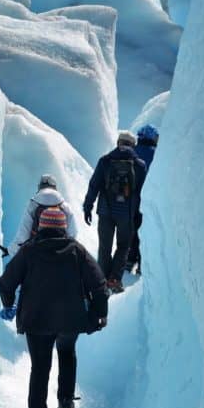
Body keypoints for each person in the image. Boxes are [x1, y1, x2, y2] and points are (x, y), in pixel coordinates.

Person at [0, 207, 109, 408]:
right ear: (63, 227)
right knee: (67, 352)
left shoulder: (29, 251)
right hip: (70, 319)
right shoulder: (77, 251)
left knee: (40, 367)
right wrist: (99, 313)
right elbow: (99, 284)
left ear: (41, 227)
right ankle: (66, 401)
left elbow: (6, 283)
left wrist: (9, 305)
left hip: (36, 321)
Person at [82, 130, 147, 293]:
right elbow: (142, 192)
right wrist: (139, 214)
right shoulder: (139, 165)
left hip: (105, 212)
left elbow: (94, 185)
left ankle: (103, 279)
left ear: (118, 142)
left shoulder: (105, 161)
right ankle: (114, 279)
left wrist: (87, 206)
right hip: (127, 214)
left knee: (105, 246)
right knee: (123, 246)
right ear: (133, 145)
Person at [6, 173, 78, 256]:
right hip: (61, 251)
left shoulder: (33, 204)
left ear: (40, 186)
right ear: (55, 187)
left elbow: (23, 233)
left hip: (38, 251)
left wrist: (10, 250)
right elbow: (72, 232)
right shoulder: (64, 205)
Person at [127, 124, 159, 273]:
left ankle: (129, 259)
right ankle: (142, 264)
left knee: (132, 230)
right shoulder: (157, 154)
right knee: (146, 231)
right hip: (149, 198)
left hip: (130, 198)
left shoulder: (131, 152)